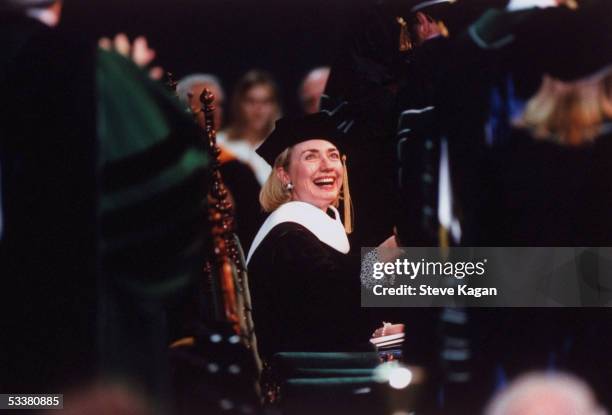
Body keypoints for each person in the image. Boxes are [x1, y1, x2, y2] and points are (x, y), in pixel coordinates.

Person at [245, 111, 390, 360]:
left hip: (331, 362)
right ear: (284, 174)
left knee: (467, 281)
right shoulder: (287, 237)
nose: (327, 166)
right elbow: (337, 312)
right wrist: (385, 259)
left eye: (333, 155)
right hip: (307, 377)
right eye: (311, 156)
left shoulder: (323, 227)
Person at [217, 70, 281, 186]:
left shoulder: (284, 150)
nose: (258, 109)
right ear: (239, 104)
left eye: (265, 102)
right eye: (251, 101)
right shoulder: (220, 143)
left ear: (274, 106)